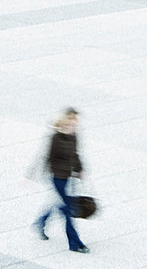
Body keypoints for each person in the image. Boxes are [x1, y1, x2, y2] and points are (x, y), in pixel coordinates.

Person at [32, 107, 90, 253]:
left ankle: (41, 222)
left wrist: (79, 169)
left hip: (69, 177)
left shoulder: (74, 135)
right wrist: (37, 175)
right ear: (64, 121)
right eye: (70, 119)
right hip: (57, 178)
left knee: (61, 205)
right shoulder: (55, 138)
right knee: (67, 210)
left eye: (75, 120)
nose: (73, 123)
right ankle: (75, 243)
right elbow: (47, 157)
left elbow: (75, 154)